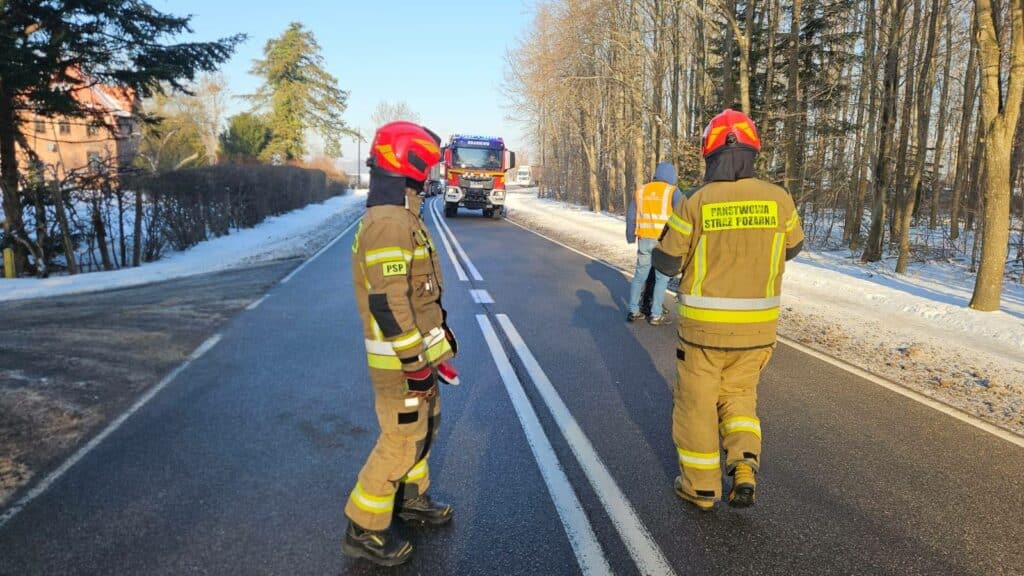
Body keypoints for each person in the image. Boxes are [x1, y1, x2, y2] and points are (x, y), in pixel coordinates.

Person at [653, 109, 804, 511]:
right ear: (753, 151)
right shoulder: (780, 199)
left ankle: (701, 487)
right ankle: (744, 467)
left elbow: (666, 261)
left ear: (710, 154)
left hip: (704, 332)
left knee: (697, 405)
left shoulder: (696, 202)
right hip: (758, 331)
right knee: (740, 398)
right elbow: (793, 246)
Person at [343, 121, 461, 566]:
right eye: (426, 167)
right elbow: (389, 305)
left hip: (415, 356)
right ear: (407, 165)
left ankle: (410, 497)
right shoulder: (389, 223)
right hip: (397, 362)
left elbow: (419, 294)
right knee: (400, 437)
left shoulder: (404, 216)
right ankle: (363, 527)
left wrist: (438, 351)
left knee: (423, 429)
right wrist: (414, 363)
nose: (430, 177)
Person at [626, 162, 683, 325]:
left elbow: (631, 216)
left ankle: (633, 310)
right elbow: (682, 215)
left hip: (644, 239)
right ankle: (656, 314)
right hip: (663, 242)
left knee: (639, 276)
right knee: (661, 278)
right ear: (672, 176)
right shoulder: (673, 191)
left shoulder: (641, 191)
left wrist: (630, 236)